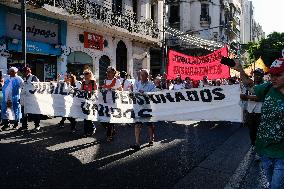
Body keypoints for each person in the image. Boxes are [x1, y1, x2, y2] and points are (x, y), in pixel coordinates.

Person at [233, 57, 284, 189]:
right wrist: (240, 70)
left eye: (278, 75)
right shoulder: (268, 88)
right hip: (265, 150)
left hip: (282, 154)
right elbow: (250, 85)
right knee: (271, 181)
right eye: (272, 75)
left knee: (275, 186)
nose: (273, 78)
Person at [130, 69, 156, 151]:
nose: (141, 77)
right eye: (140, 75)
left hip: (148, 108)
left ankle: (151, 139)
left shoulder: (152, 85)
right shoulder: (137, 84)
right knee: (137, 125)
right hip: (138, 107)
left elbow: (153, 95)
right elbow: (134, 92)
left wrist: (144, 93)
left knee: (150, 125)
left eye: (142, 75)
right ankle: (137, 143)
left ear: (147, 76)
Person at [101, 66, 122, 141]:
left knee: (110, 119)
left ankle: (109, 135)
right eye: (107, 71)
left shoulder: (117, 81)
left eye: (109, 71)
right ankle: (112, 129)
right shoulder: (105, 80)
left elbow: (121, 91)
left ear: (113, 72)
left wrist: (114, 90)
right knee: (104, 120)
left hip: (113, 102)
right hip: (106, 101)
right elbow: (103, 89)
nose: (108, 73)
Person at [17, 66, 41, 131]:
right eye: (22, 72)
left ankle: (37, 126)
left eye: (24, 72)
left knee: (34, 113)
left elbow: (38, 86)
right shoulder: (24, 78)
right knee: (24, 113)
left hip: (32, 99)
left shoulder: (33, 77)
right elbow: (22, 87)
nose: (23, 73)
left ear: (28, 71)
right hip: (24, 98)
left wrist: (33, 91)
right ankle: (24, 126)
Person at [81, 69, 97, 137]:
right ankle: (87, 131)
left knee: (88, 116)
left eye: (87, 74)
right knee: (85, 117)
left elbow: (96, 91)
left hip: (91, 101)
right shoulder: (83, 82)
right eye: (85, 74)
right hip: (85, 101)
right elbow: (81, 91)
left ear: (90, 75)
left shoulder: (93, 82)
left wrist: (91, 92)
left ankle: (90, 129)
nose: (86, 76)